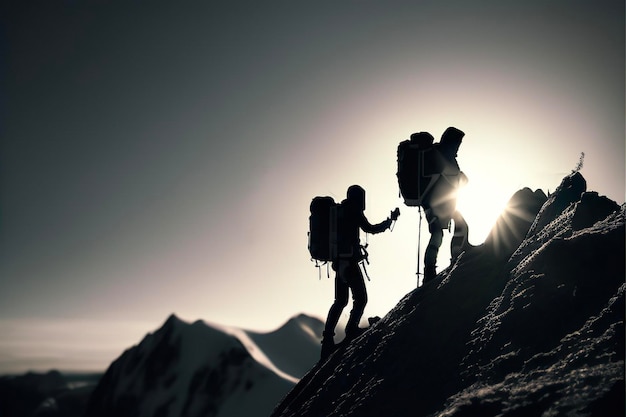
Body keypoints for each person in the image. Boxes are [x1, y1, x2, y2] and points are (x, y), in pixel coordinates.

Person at [321, 185, 399, 360]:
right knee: (361, 298)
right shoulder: (353, 210)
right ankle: (351, 329)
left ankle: (327, 341)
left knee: (340, 301)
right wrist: (390, 221)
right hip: (350, 262)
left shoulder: (339, 211)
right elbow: (370, 228)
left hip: (338, 262)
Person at [421, 127, 468, 284]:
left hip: (440, 203)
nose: (458, 147)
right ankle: (430, 271)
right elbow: (453, 177)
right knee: (438, 234)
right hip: (433, 203)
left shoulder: (443, 155)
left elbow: (454, 177)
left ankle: (453, 260)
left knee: (453, 228)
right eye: (457, 143)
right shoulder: (440, 155)